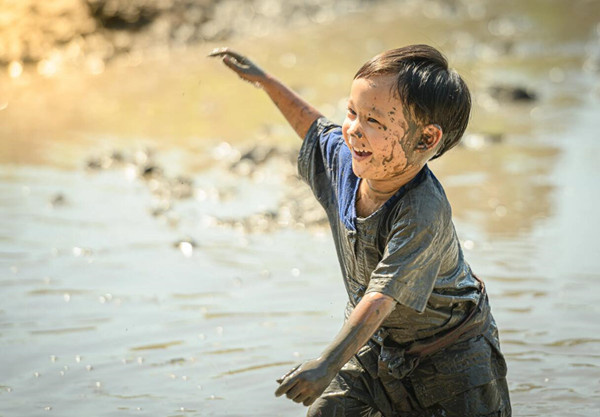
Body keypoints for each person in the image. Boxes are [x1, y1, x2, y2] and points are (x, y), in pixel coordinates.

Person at [209, 45, 511, 417]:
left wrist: (327, 363)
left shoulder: (422, 211)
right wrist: (266, 82)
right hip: (377, 345)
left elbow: (380, 298)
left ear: (426, 140)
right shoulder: (345, 165)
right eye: (352, 112)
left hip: (452, 358)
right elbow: (313, 127)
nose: (353, 131)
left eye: (375, 122)